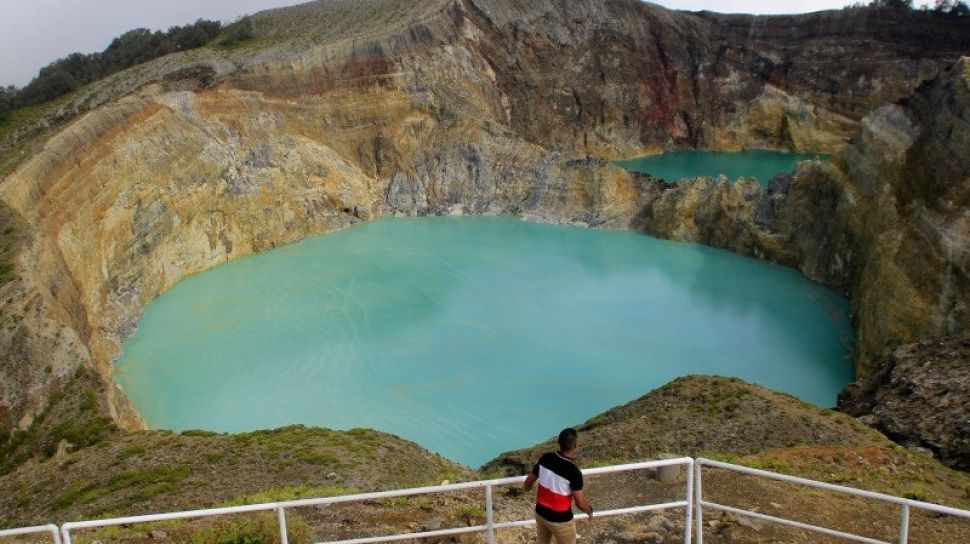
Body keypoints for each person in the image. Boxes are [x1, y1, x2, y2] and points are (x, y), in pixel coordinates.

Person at [523, 428, 593, 544]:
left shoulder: (545, 458)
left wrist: (527, 489)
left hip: (541, 513)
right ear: (575, 446)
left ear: (558, 442)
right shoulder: (573, 471)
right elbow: (580, 503)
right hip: (561, 521)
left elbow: (528, 482)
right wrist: (589, 511)